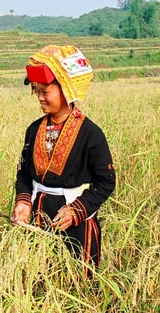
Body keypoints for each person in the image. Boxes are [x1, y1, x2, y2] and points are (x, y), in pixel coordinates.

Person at [11, 45, 116, 278]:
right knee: (39, 279)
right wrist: (23, 202)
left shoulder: (91, 134)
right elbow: (24, 175)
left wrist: (75, 211)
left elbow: (105, 183)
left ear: (66, 91)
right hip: (38, 216)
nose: (39, 98)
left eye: (45, 92)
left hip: (75, 221)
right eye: (36, 91)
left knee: (77, 280)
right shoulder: (33, 129)